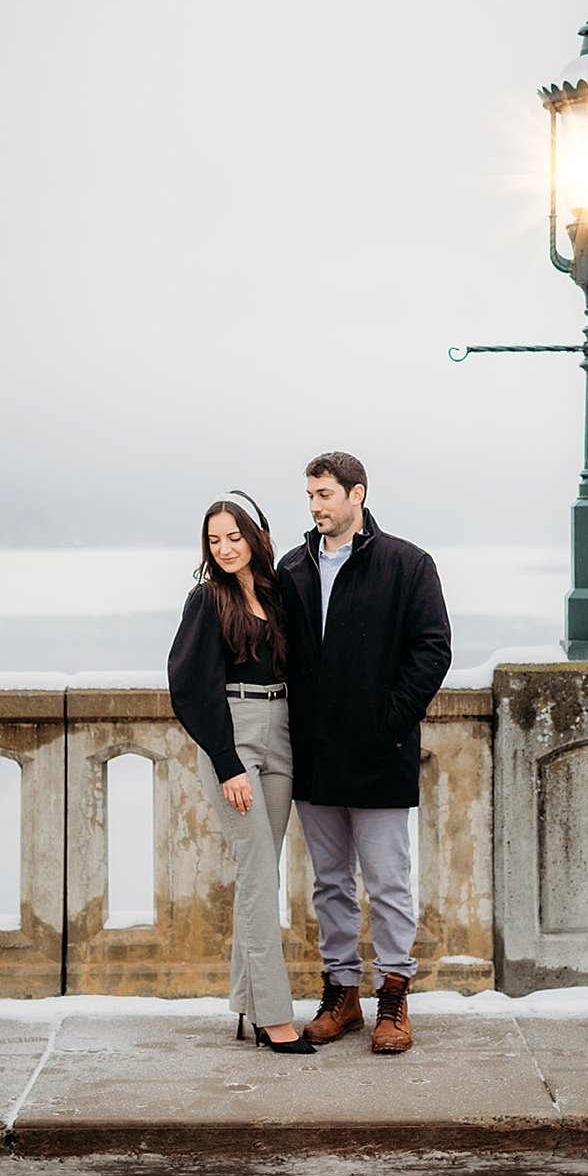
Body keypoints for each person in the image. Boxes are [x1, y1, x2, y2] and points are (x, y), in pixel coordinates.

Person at [275, 452, 452, 1056]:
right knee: (329, 882)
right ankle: (342, 994)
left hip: (381, 754)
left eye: (325, 494)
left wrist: (388, 721)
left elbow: (432, 651)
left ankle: (394, 997)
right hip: (314, 757)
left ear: (358, 494)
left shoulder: (407, 564)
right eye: (310, 495)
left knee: (387, 882)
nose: (317, 505)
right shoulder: (293, 568)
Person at [167, 490, 316, 1055]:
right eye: (214, 540)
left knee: (262, 872)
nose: (225, 548)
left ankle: (247, 1005)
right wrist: (227, 762)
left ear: (254, 537)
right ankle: (275, 1018)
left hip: (282, 730)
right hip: (234, 732)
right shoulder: (206, 600)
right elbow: (187, 686)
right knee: (258, 877)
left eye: (234, 536)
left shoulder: (278, 594)